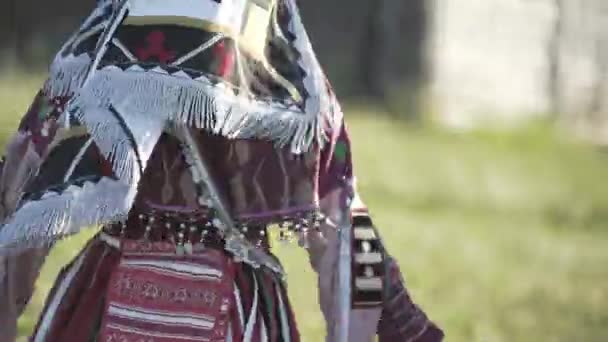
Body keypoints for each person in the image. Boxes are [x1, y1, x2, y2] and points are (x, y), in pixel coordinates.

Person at [0, 0, 444, 341]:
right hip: (236, 310)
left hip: (104, 296)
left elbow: (19, 195)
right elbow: (342, 219)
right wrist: (399, 320)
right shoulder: (290, 84)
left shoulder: (102, 52)